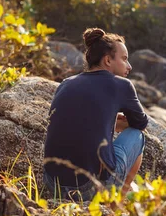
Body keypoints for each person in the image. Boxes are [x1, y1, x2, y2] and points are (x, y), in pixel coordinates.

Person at [43, 27, 148, 201]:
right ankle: (116, 206)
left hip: (52, 183)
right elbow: (141, 123)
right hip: (88, 188)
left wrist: (112, 123)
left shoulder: (66, 84)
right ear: (107, 60)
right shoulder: (122, 85)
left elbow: (76, 121)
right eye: (124, 59)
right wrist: (124, 124)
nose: (129, 66)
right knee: (137, 136)